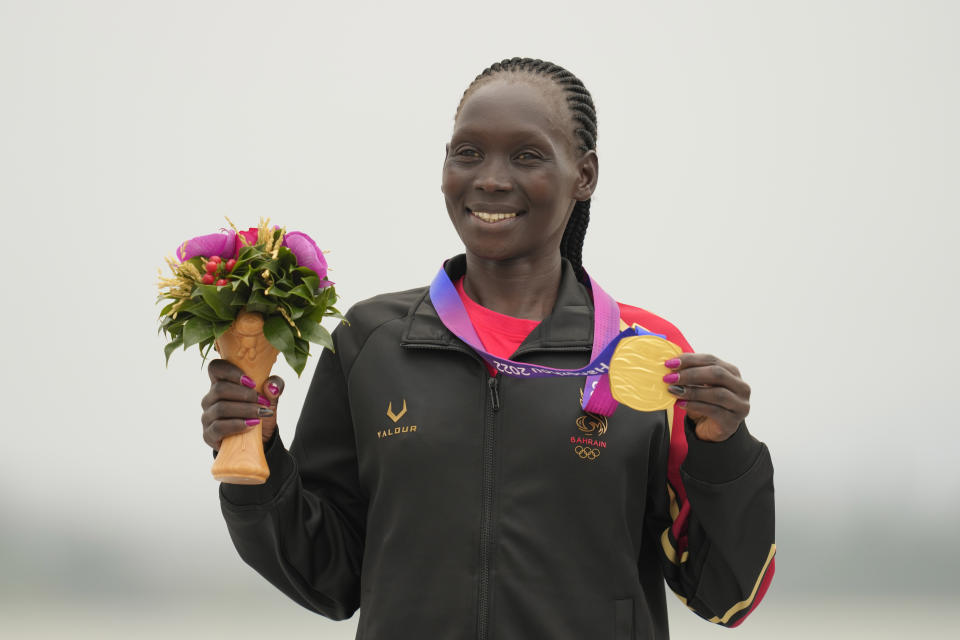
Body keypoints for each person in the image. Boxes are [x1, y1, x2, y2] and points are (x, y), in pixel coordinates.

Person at [201, 58, 775, 639]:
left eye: (527, 155)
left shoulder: (647, 354)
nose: (491, 179)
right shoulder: (369, 343)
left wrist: (724, 452)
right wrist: (262, 458)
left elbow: (724, 595)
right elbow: (330, 576)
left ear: (585, 174)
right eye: (468, 153)